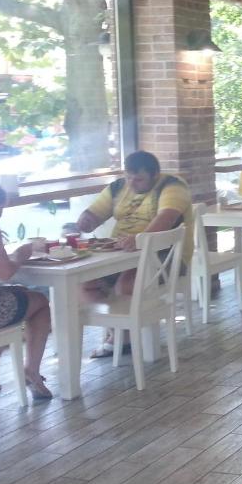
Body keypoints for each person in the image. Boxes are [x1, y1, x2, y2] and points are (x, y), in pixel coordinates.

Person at [75, 150, 192, 358]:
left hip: (167, 255)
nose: (131, 184)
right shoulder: (118, 187)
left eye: (138, 179)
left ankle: (122, 338)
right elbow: (94, 213)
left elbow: (166, 218)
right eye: (128, 178)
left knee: (128, 283)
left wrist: (139, 239)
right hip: (120, 254)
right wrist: (85, 221)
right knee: (85, 283)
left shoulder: (172, 186)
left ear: (155, 175)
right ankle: (120, 334)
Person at [0, 182, 53, 399]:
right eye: (1, 208)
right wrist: (20, 256)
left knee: (19, 296)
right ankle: (31, 371)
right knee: (39, 302)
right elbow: (4, 272)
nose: (1, 213)